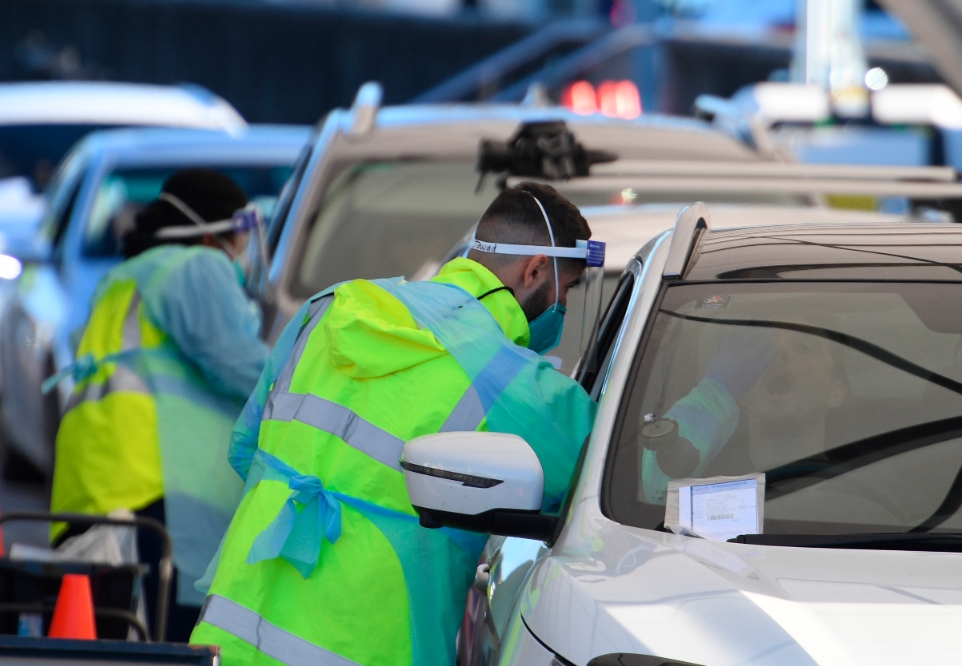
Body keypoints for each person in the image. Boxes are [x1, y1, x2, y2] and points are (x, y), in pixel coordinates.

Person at [190, 182, 599, 665]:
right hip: (368, 646)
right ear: (535, 270)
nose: (563, 308)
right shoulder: (519, 385)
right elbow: (621, 485)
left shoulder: (329, 307)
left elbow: (244, 448)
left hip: (233, 630)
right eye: (567, 290)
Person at [48, 168, 269, 641]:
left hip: (89, 490)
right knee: (166, 645)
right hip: (153, 491)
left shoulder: (121, 279)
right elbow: (246, 369)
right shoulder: (196, 268)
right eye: (239, 240)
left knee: (106, 642)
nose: (243, 253)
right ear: (212, 236)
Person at [641, 319, 847, 503]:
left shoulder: (862, 478)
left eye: (804, 347)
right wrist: (717, 392)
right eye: (765, 349)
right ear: (741, 394)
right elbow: (655, 495)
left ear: (836, 392)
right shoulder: (704, 483)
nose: (778, 354)